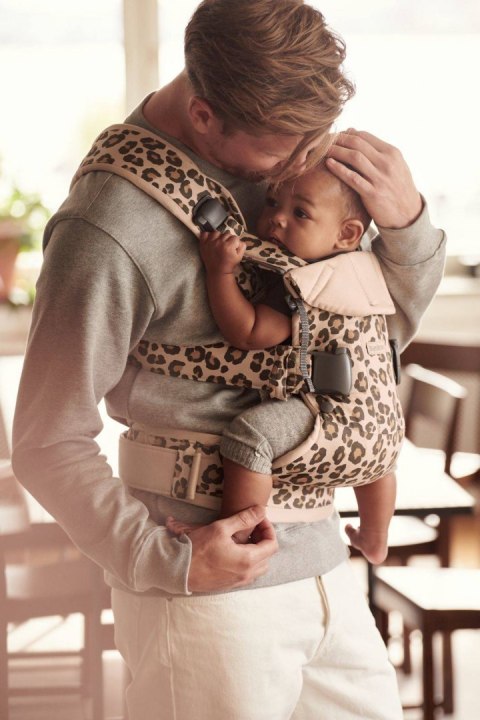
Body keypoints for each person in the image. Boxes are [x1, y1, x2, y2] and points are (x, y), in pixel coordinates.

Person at [12, 1, 446, 718]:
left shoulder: (293, 164)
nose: (303, 163)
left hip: (327, 566)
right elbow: (45, 440)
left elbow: (369, 341)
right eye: (284, 154)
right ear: (206, 115)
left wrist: (407, 227)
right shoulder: (107, 229)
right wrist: (164, 562)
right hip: (206, 600)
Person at [168, 163, 398, 564]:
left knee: (249, 437)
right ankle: (376, 537)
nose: (276, 217)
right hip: (383, 426)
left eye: (300, 212)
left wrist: (221, 272)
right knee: (379, 459)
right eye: (273, 202)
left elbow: (249, 332)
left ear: (347, 234)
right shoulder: (366, 272)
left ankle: (235, 535)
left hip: (329, 418)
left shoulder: (302, 280)